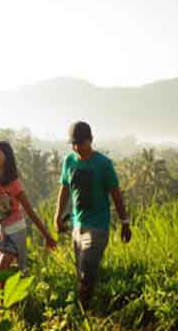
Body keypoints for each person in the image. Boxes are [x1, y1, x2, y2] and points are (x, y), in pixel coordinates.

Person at [54, 121, 132, 309]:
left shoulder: (103, 164)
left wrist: (125, 222)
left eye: (80, 143)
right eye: (73, 144)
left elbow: (116, 195)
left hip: (98, 226)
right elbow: (64, 189)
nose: (76, 147)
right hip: (78, 225)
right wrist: (58, 216)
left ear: (90, 140)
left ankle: (84, 312)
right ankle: (88, 309)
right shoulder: (69, 161)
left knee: (86, 271)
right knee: (82, 272)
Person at [0, 141, 56, 273]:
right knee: (5, 272)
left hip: (15, 230)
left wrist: (46, 235)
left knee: (1, 269)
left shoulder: (14, 184)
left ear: (7, 158)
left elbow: (29, 211)